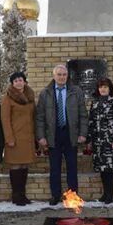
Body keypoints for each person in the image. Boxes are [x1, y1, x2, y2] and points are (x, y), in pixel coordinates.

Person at [36, 64, 88, 206]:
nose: (62, 77)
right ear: (53, 76)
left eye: (64, 74)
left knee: (72, 168)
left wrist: (83, 133)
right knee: (55, 168)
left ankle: (72, 197)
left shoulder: (76, 91)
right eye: (59, 74)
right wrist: (41, 136)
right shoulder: (45, 93)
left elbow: (83, 114)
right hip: (53, 135)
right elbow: (40, 117)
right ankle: (55, 195)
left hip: (71, 134)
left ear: (67, 76)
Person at [88, 78, 113, 204]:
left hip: (111, 141)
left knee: (111, 168)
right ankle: (105, 194)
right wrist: (90, 139)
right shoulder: (95, 103)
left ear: (110, 89)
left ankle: (110, 194)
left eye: (105, 87)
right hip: (99, 142)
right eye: (100, 87)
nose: (103, 89)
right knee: (102, 168)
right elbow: (91, 122)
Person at [1, 72, 36, 206]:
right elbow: (5, 119)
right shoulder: (7, 98)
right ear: (12, 83)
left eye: (20, 80)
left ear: (25, 81)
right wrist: (9, 138)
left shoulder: (30, 96)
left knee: (24, 165)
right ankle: (16, 195)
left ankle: (23, 194)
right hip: (14, 138)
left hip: (27, 137)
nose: (18, 83)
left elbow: (34, 116)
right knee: (16, 165)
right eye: (15, 81)